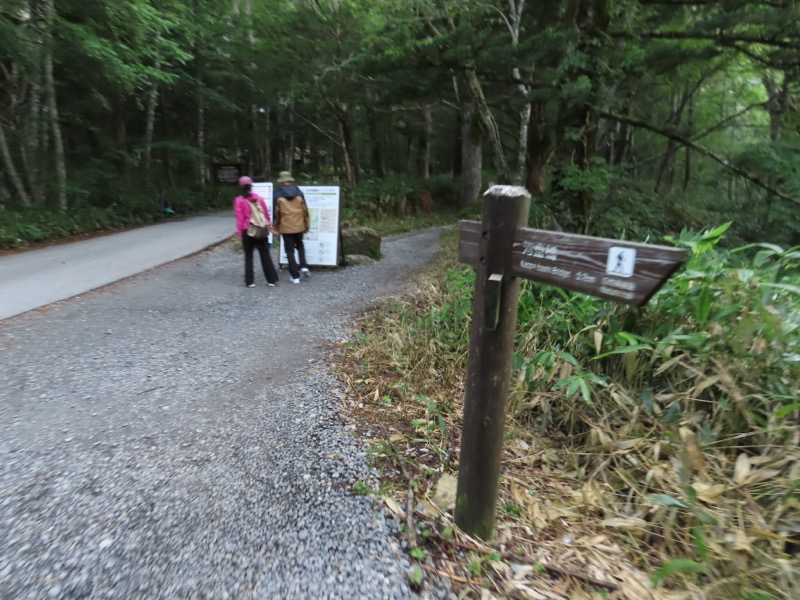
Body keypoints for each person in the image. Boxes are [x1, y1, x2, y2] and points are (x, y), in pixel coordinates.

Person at [234, 175, 279, 288]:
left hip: (247, 230)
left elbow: (239, 218)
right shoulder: (259, 198)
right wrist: (268, 226)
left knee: (248, 256)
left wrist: (240, 233)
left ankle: (250, 282)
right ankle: (271, 280)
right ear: (251, 186)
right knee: (265, 254)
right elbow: (265, 214)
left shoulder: (239, 200)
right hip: (260, 229)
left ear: (240, 186)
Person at [273, 171, 310, 284]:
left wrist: (275, 227)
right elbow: (305, 211)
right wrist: (306, 224)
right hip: (299, 225)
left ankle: (295, 277)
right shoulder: (298, 192)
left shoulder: (277, 195)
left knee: (289, 251)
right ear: (290, 180)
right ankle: (304, 266)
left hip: (286, 226)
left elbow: (276, 214)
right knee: (300, 245)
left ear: (281, 181)